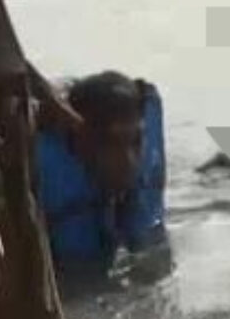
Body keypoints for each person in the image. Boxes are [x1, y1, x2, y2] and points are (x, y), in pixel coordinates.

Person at [35, 70, 170, 284]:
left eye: (135, 142)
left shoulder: (143, 167)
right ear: (80, 142)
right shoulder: (41, 170)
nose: (129, 161)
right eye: (112, 144)